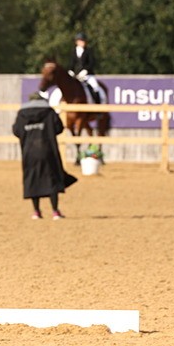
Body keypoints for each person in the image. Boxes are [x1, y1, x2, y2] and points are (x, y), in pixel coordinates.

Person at [12, 91, 78, 219]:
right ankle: (55, 211)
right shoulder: (49, 112)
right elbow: (59, 128)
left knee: (32, 179)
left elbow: (16, 131)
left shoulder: (22, 114)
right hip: (48, 150)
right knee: (51, 179)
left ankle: (36, 211)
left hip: (29, 151)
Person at [70, 32, 105, 103]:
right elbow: (71, 63)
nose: (83, 42)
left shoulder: (89, 51)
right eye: (81, 40)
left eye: (84, 40)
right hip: (76, 75)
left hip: (88, 75)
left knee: (95, 87)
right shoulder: (73, 51)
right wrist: (70, 71)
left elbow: (92, 63)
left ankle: (98, 106)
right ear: (77, 42)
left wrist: (85, 70)